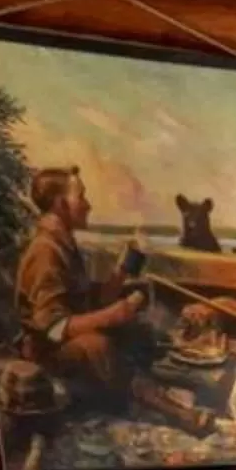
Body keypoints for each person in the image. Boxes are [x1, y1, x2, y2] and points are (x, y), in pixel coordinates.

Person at [13, 167, 145, 401]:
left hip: (63, 345)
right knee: (98, 345)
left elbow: (89, 299)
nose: (88, 205)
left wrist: (127, 265)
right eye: (81, 196)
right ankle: (156, 403)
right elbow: (53, 328)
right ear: (60, 204)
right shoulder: (46, 250)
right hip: (46, 355)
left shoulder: (62, 243)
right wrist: (112, 315)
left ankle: (144, 395)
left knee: (137, 331)